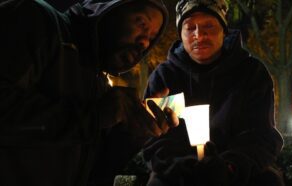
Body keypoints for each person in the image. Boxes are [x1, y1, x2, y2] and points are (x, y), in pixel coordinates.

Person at [0, 0, 179, 186]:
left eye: (151, 37)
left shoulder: (97, 83)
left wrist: (133, 133)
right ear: (108, 7)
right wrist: (95, 116)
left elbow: (96, 170)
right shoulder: (35, 19)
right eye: (141, 23)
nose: (144, 42)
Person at [143, 0, 285, 185]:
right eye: (190, 28)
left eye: (208, 26)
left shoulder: (251, 73)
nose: (199, 35)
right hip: (179, 172)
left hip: (237, 170)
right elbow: (154, 138)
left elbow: (260, 134)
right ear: (181, 34)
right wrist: (184, 166)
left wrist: (228, 167)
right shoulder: (165, 77)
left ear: (224, 30)